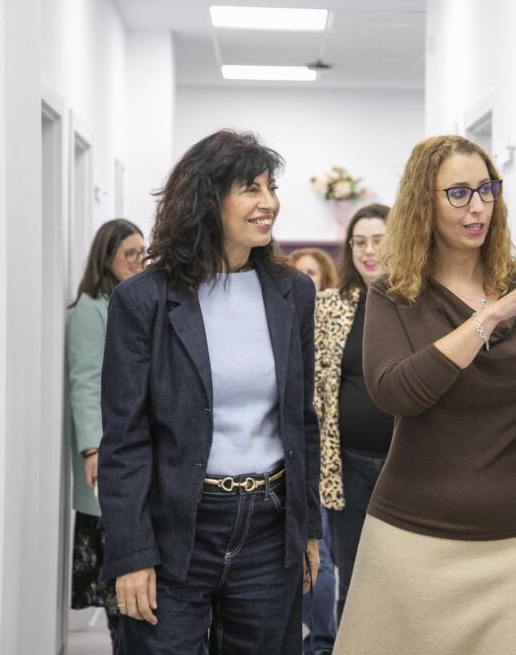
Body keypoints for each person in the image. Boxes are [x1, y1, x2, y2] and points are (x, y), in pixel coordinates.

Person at [334, 135, 516, 654]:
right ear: (422, 203)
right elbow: (397, 393)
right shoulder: (395, 294)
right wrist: (489, 316)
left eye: (487, 189)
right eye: (459, 193)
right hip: (414, 540)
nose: (478, 207)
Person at [98, 129, 322, 654]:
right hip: (176, 525)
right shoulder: (143, 300)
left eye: (271, 187)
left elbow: (301, 420)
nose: (269, 203)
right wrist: (131, 552)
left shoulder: (293, 292)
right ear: (207, 199)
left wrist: (307, 528)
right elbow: (125, 440)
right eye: (251, 189)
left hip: (269, 526)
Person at [67, 218, 145, 648]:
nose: (138, 261)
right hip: (106, 452)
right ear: (107, 257)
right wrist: (91, 448)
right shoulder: (90, 309)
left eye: (141, 253)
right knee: (116, 574)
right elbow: (84, 380)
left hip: (132, 449)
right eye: (129, 254)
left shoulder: (132, 300)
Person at [312, 203, 391, 626]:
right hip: (348, 466)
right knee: (355, 579)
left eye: (378, 240)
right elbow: (315, 386)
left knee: (404, 579)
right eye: (359, 242)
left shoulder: (419, 304)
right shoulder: (329, 305)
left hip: (409, 466)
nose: (368, 251)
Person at [287, 246, 339, 654]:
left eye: (312, 273)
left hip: (333, 456)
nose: (306, 280)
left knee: (320, 554)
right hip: (301, 454)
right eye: (298, 273)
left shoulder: (337, 318)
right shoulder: (285, 320)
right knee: (310, 554)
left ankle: (323, 642)